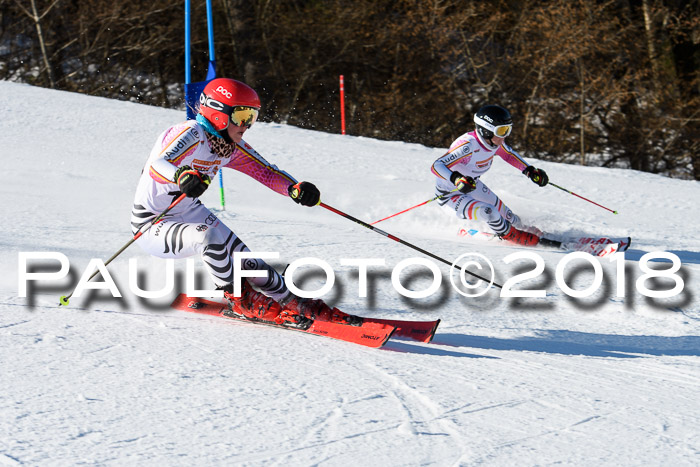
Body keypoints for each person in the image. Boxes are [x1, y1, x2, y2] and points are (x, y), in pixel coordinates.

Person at [131, 78, 356, 327]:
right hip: (153, 223)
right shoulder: (191, 133)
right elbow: (157, 165)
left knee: (248, 262)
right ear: (218, 113)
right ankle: (240, 299)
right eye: (242, 116)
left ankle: (292, 301)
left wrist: (294, 189)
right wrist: (181, 175)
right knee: (209, 237)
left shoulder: (228, 145)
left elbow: (266, 172)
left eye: (252, 117)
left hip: (188, 211)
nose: (247, 125)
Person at [431, 105, 549, 246]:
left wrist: (529, 171)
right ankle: (511, 235)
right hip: (450, 195)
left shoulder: (495, 143)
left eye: (507, 129)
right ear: (485, 130)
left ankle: (527, 232)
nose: (505, 135)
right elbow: (437, 166)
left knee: (510, 217)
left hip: (472, 186)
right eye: (501, 130)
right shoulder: (468, 145)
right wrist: (456, 179)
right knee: (490, 212)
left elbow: (509, 155)